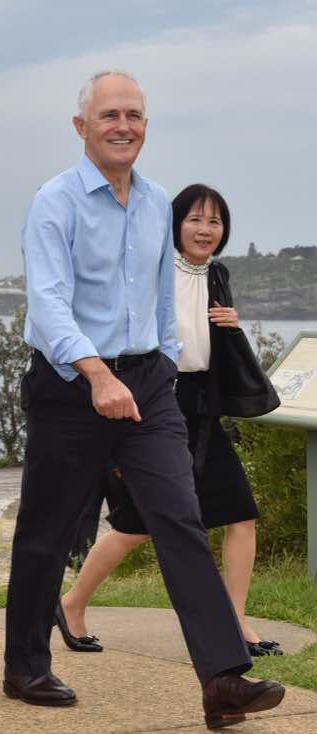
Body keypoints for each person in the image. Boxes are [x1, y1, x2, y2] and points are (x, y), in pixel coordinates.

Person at [4, 69, 285, 730]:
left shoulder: (158, 201)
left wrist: (156, 361)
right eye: (110, 115)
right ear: (82, 127)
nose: (123, 126)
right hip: (69, 385)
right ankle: (25, 666)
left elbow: (162, 302)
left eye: (134, 115)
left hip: (148, 386)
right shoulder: (56, 202)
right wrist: (98, 375)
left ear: (145, 126)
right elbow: (46, 306)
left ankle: (222, 680)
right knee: (45, 531)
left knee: (180, 517)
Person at [58, 184, 283, 657]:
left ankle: (236, 622)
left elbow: (206, 344)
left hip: (203, 407)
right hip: (158, 401)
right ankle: (72, 604)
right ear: (176, 223)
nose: (206, 230)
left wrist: (228, 326)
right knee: (136, 525)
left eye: (216, 222)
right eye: (196, 219)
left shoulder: (216, 275)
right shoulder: (156, 272)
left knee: (240, 514)